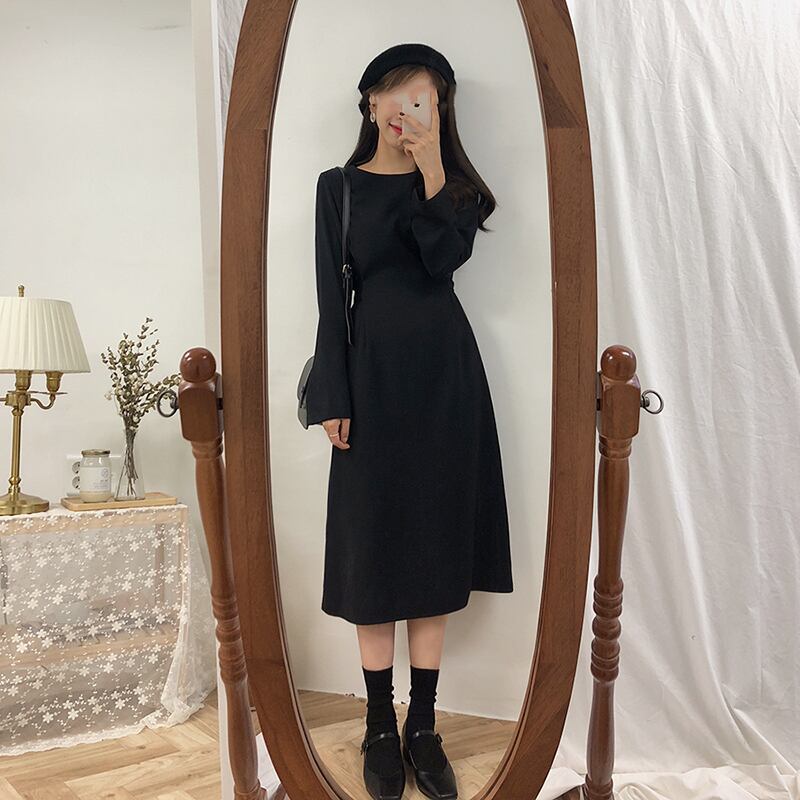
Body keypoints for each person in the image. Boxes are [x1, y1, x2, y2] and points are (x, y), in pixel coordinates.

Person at [304, 43, 514, 800]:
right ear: (369, 104)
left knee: (431, 548)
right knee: (372, 552)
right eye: (393, 96)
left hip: (444, 382)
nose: (404, 111)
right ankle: (377, 726)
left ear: (440, 110)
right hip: (369, 380)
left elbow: (440, 264)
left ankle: (423, 726)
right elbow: (330, 299)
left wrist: (431, 172)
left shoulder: (456, 191)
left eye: (422, 99)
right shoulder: (338, 188)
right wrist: (332, 395)